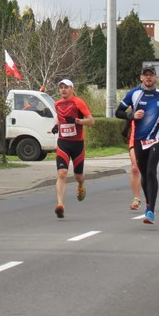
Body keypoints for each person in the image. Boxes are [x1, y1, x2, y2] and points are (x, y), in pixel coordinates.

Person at [115, 64, 159, 224]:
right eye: (145, 75)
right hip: (139, 139)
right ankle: (148, 203)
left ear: (156, 78)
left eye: (151, 75)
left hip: (156, 138)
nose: (148, 77)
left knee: (151, 171)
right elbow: (118, 112)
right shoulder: (133, 94)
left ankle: (151, 210)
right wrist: (132, 115)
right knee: (144, 174)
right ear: (141, 78)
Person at [50, 79, 94, 219]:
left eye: (66, 87)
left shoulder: (78, 102)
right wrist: (56, 125)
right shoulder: (57, 104)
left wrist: (76, 121)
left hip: (77, 144)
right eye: (61, 87)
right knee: (62, 173)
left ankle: (80, 184)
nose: (63, 90)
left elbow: (91, 121)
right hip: (63, 143)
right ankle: (60, 205)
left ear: (72, 89)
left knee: (78, 176)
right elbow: (59, 118)